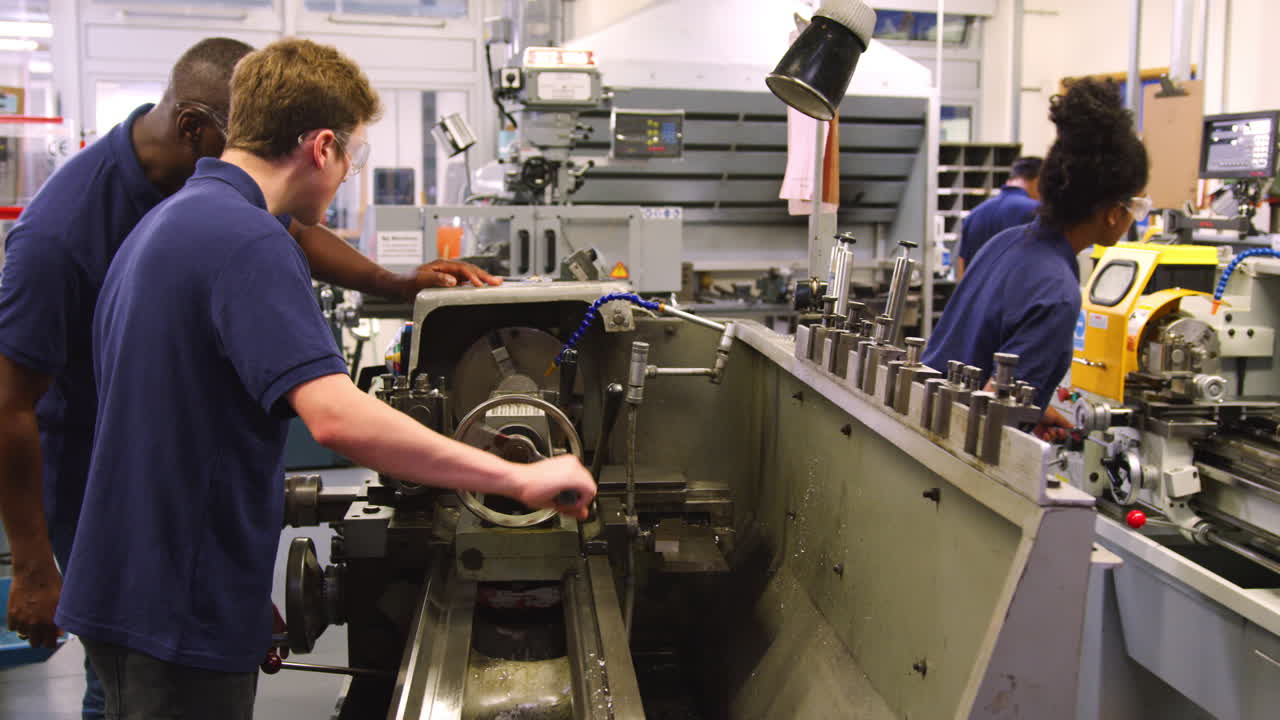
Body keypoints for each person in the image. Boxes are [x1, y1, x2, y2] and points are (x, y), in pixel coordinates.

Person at [53, 38, 595, 719]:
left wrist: (241, 586)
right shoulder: (249, 241)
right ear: (321, 147)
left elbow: (172, 431)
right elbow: (336, 417)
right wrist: (516, 478)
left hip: (126, 587)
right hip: (176, 608)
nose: (348, 177)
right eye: (353, 156)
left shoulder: (165, 224)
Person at [923, 79, 1149, 439]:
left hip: (924, 420)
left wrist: (1030, 412)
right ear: (1111, 212)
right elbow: (989, 427)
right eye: (1137, 205)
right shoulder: (1057, 291)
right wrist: (1016, 426)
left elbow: (980, 377)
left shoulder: (1004, 243)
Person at [955, 156, 1043, 280]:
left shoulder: (975, 214)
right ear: (1038, 180)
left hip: (979, 298)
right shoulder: (1037, 211)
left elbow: (962, 266)